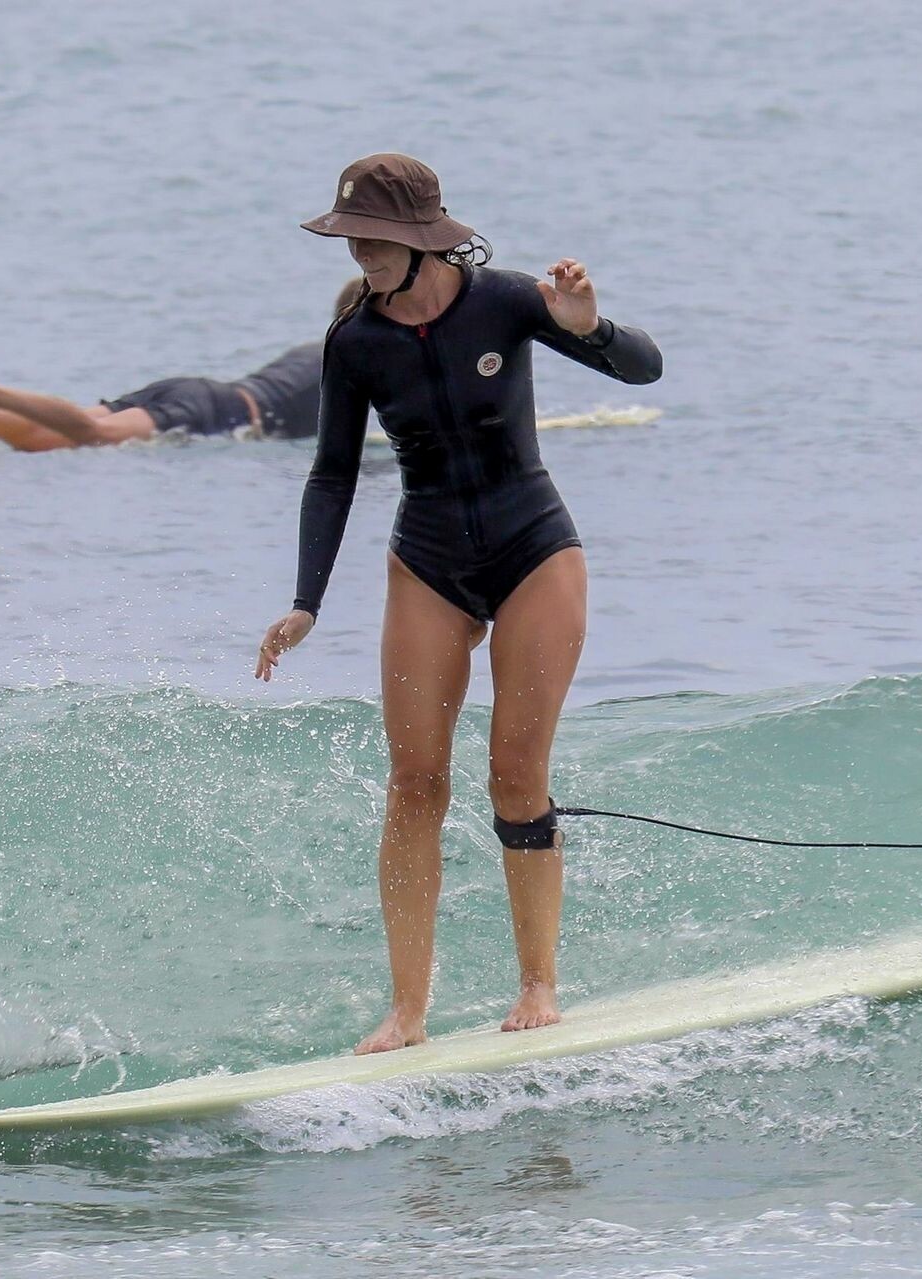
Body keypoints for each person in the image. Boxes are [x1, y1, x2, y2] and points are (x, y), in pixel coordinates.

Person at [253, 154, 662, 1055]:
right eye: (352, 238)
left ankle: (538, 985)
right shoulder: (355, 341)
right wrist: (306, 601)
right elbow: (332, 475)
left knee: (514, 774)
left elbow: (645, 370)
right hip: (429, 557)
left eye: (374, 239)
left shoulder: (506, 301)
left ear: (421, 240)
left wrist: (591, 328)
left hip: (533, 548)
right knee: (414, 782)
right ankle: (407, 1010)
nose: (360, 254)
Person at [0, 280, 364, 451]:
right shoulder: (350, 361)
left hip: (197, 391)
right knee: (93, 436)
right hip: (214, 412)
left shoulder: (317, 348)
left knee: (44, 438)